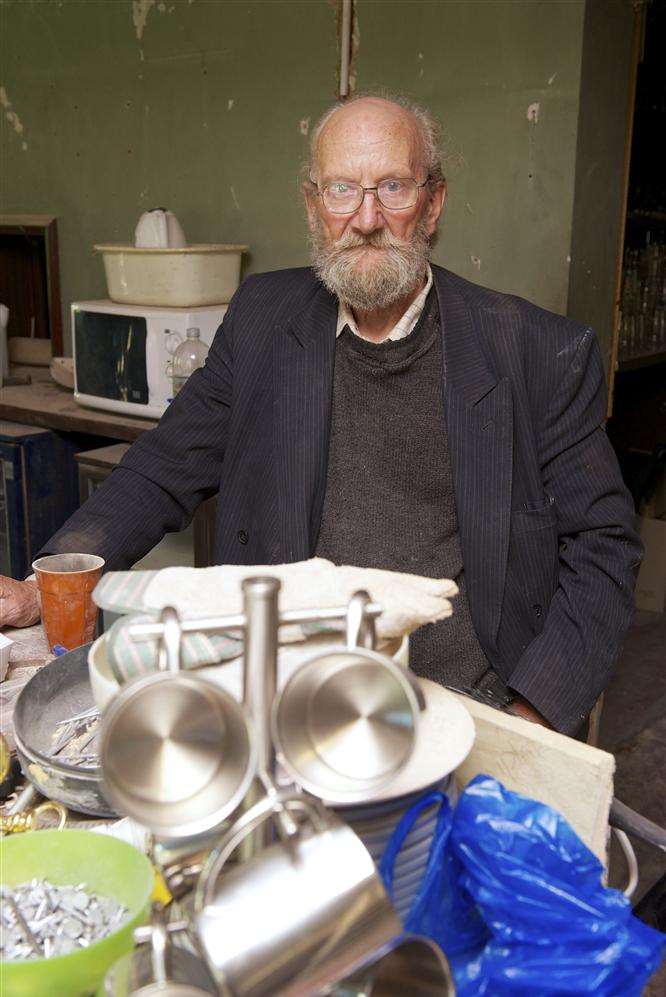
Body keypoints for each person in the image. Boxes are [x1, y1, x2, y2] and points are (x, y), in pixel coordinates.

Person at [0, 94, 641, 735]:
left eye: (392, 186)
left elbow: (603, 546)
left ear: (434, 201)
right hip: (274, 695)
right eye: (342, 190)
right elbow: (161, 469)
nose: (366, 218)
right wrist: (47, 583)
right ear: (314, 206)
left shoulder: (538, 352)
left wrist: (528, 722)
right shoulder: (262, 318)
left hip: (462, 713)